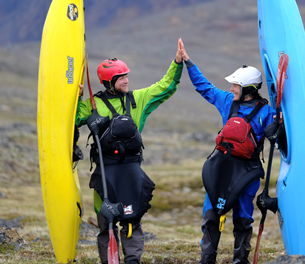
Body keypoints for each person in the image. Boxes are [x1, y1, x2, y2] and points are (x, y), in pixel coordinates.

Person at [74, 39, 185, 264]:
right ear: (109, 81)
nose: (126, 80)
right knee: (106, 221)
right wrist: (77, 99)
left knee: (132, 219)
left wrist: (177, 63)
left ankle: (132, 260)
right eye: (121, 77)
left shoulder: (138, 99)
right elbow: (72, 119)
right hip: (105, 172)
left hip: (131, 171)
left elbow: (166, 86)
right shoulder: (92, 105)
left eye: (126, 75)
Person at [177, 38, 280, 264]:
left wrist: (278, 126)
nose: (231, 88)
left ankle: (240, 260)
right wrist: (188, 62)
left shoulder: (268, 113)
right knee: (211, 216)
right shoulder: (228, 101)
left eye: (236, 85)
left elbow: (281, 140)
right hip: (222, 168)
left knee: (243, 220)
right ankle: (207, 260)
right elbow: (204, 87)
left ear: (249, 90)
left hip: (247, 171)